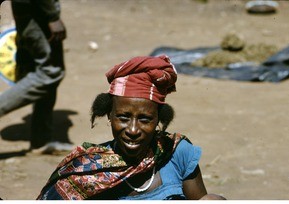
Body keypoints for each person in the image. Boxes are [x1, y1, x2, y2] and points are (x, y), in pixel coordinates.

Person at [37, 55, 226, 200]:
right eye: (123, 117)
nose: (133, 130)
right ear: (109, 115)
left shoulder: (176, 153)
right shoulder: (86, 171)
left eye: (145, 119)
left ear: (159, 119)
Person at [0, 0, 73, 153]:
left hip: (30, 11)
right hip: (37, 12)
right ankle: (41, 139)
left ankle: (41, 140)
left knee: (40, 67)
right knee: (50, 71)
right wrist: (52, 15)